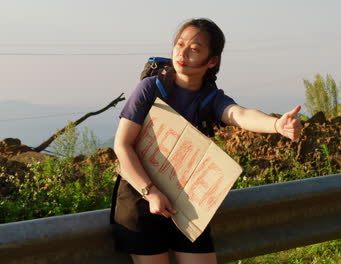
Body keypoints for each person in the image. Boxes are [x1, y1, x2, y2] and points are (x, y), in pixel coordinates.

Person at [111, 18, 302, 264]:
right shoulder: (151, 88)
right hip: (141, 198)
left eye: (195, 48)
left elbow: (238, 114)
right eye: (180, 44)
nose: (182, 52)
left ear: (212, 61)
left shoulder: (209, 98)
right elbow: (122, 145)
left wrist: (276, 125)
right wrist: (151, 192)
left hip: (188, 201)